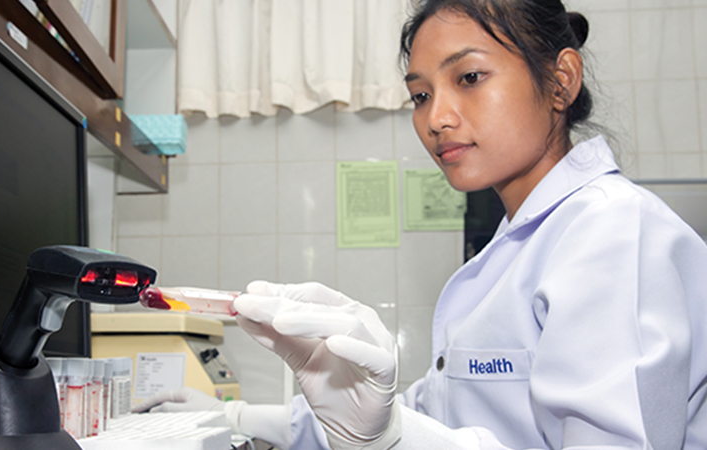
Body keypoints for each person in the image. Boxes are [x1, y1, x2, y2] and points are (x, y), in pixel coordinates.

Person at [134, 0, 707, 449]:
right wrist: (235, 416)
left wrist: (383, 438)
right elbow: (424, 418)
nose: (437, 118)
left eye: (470, 78)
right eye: (420, 94)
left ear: (560, 80)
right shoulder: (510, 253)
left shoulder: (611, 231)